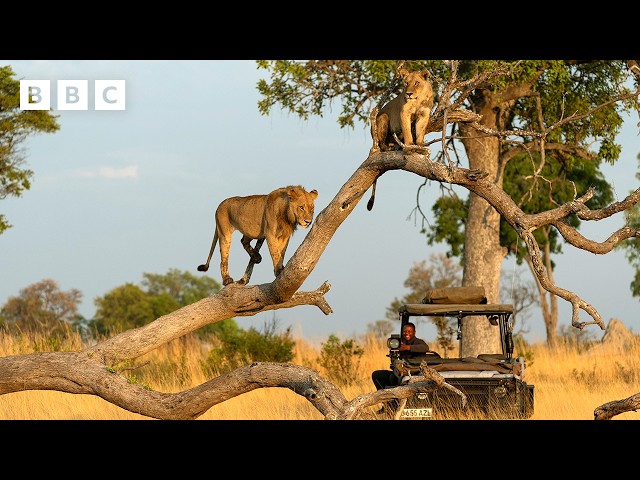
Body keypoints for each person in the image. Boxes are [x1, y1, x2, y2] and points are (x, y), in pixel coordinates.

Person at [371, 322, 429, 413]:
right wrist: (394, 353)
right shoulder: (399, 343)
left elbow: (425, 348)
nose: (407, 333)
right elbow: (394, 361)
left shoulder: (418, 342)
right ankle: (386, 403)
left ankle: (395, 404)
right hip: (400, 371)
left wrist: (407, 348)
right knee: (377, 375)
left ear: (414, 332)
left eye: (409, 331)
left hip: (414, 372)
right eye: (405, 331)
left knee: (392, 378)